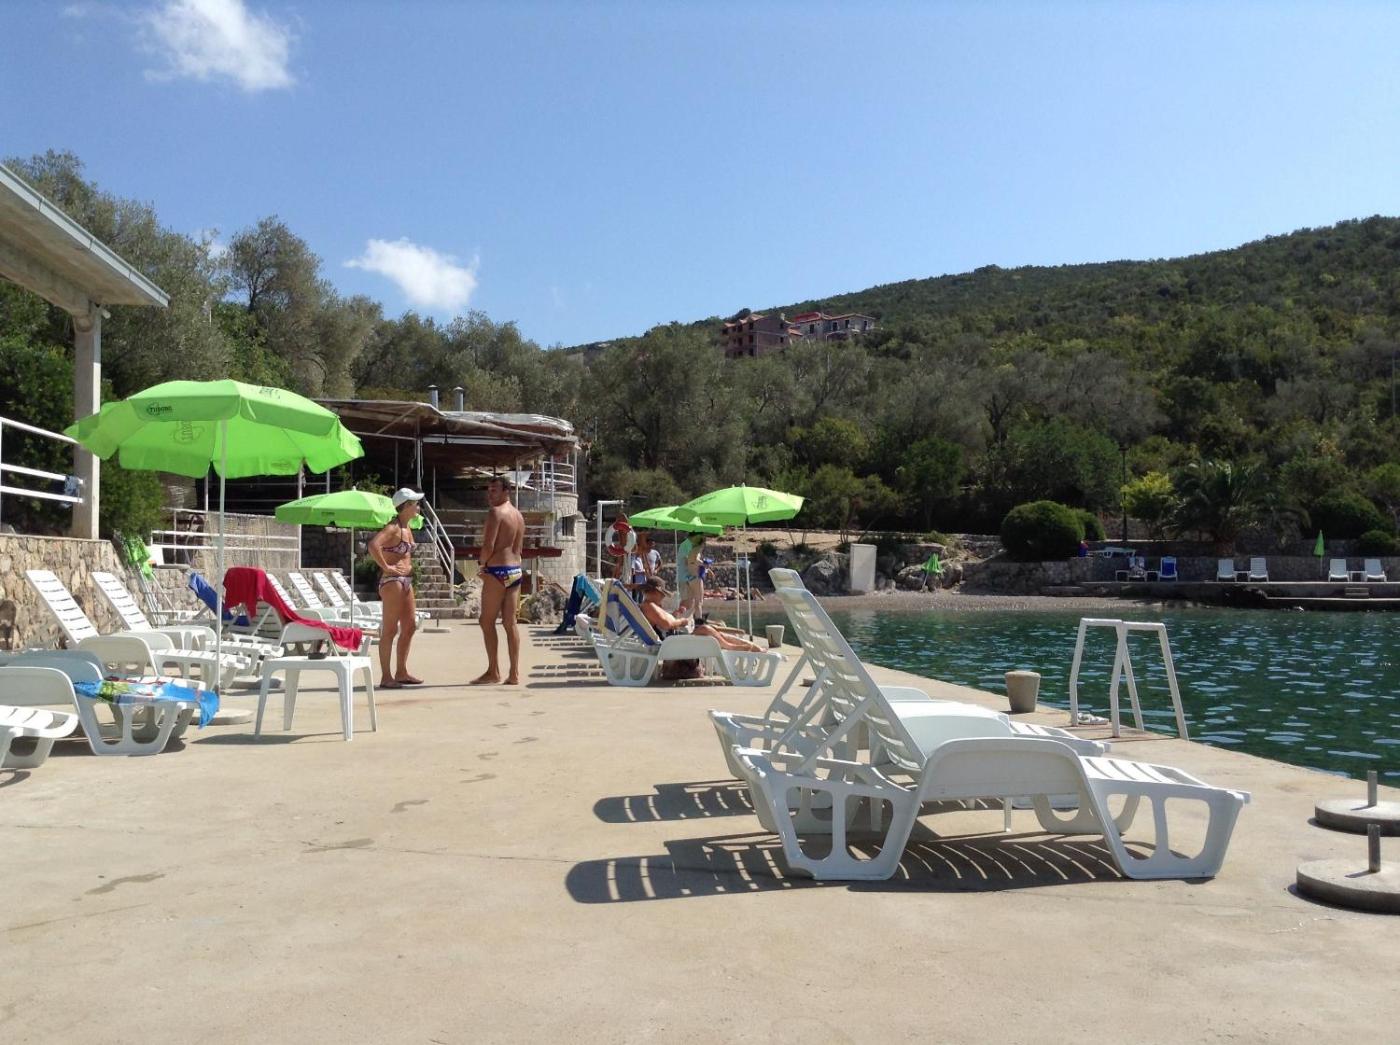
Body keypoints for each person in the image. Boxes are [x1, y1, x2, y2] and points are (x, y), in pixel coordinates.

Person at [369, 488, 424, 688]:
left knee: (409, 626)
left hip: (405, 580)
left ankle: (401, 672)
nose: (418, 507)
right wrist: (386, 567)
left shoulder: (407, 528)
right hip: (393, 581)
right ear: (406, 506)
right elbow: (373, 545)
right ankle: (386, 676)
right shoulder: (393, 528)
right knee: (390, 629)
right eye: (415, 504)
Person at [472, 475, 525, 685]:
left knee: (486, 621)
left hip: (497, 570)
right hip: (515, 570)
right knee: (510, 623)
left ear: (506, 491)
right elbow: (518, 548)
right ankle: (514, 673)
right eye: (489, 490)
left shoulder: (496, 512)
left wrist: (482, 564)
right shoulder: (518, 516)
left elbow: (488, 545)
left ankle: (493, 671)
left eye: (494, 490)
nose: (490, 494)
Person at [639, 577, 765, 652]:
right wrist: (682, 621)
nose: (663, 597)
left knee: (716, 632)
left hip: (672, 639)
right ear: (656, 592)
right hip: (670, 643)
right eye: (662, 594)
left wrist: (675, 614)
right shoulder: (649, 606)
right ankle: (730, 647)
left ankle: (753, 647)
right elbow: (667, 624)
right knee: (705, 629)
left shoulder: (650, 606)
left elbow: (663, 622)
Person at [676, 532, 707, 614]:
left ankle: (679, 617)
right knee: (688, 602)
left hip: (686, 577)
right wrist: (703, 565)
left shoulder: (689, 545)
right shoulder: (687, 545)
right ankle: (678, 616)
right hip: (686, 576)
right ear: (696, 536)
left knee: (689, 602)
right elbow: (690, 560)